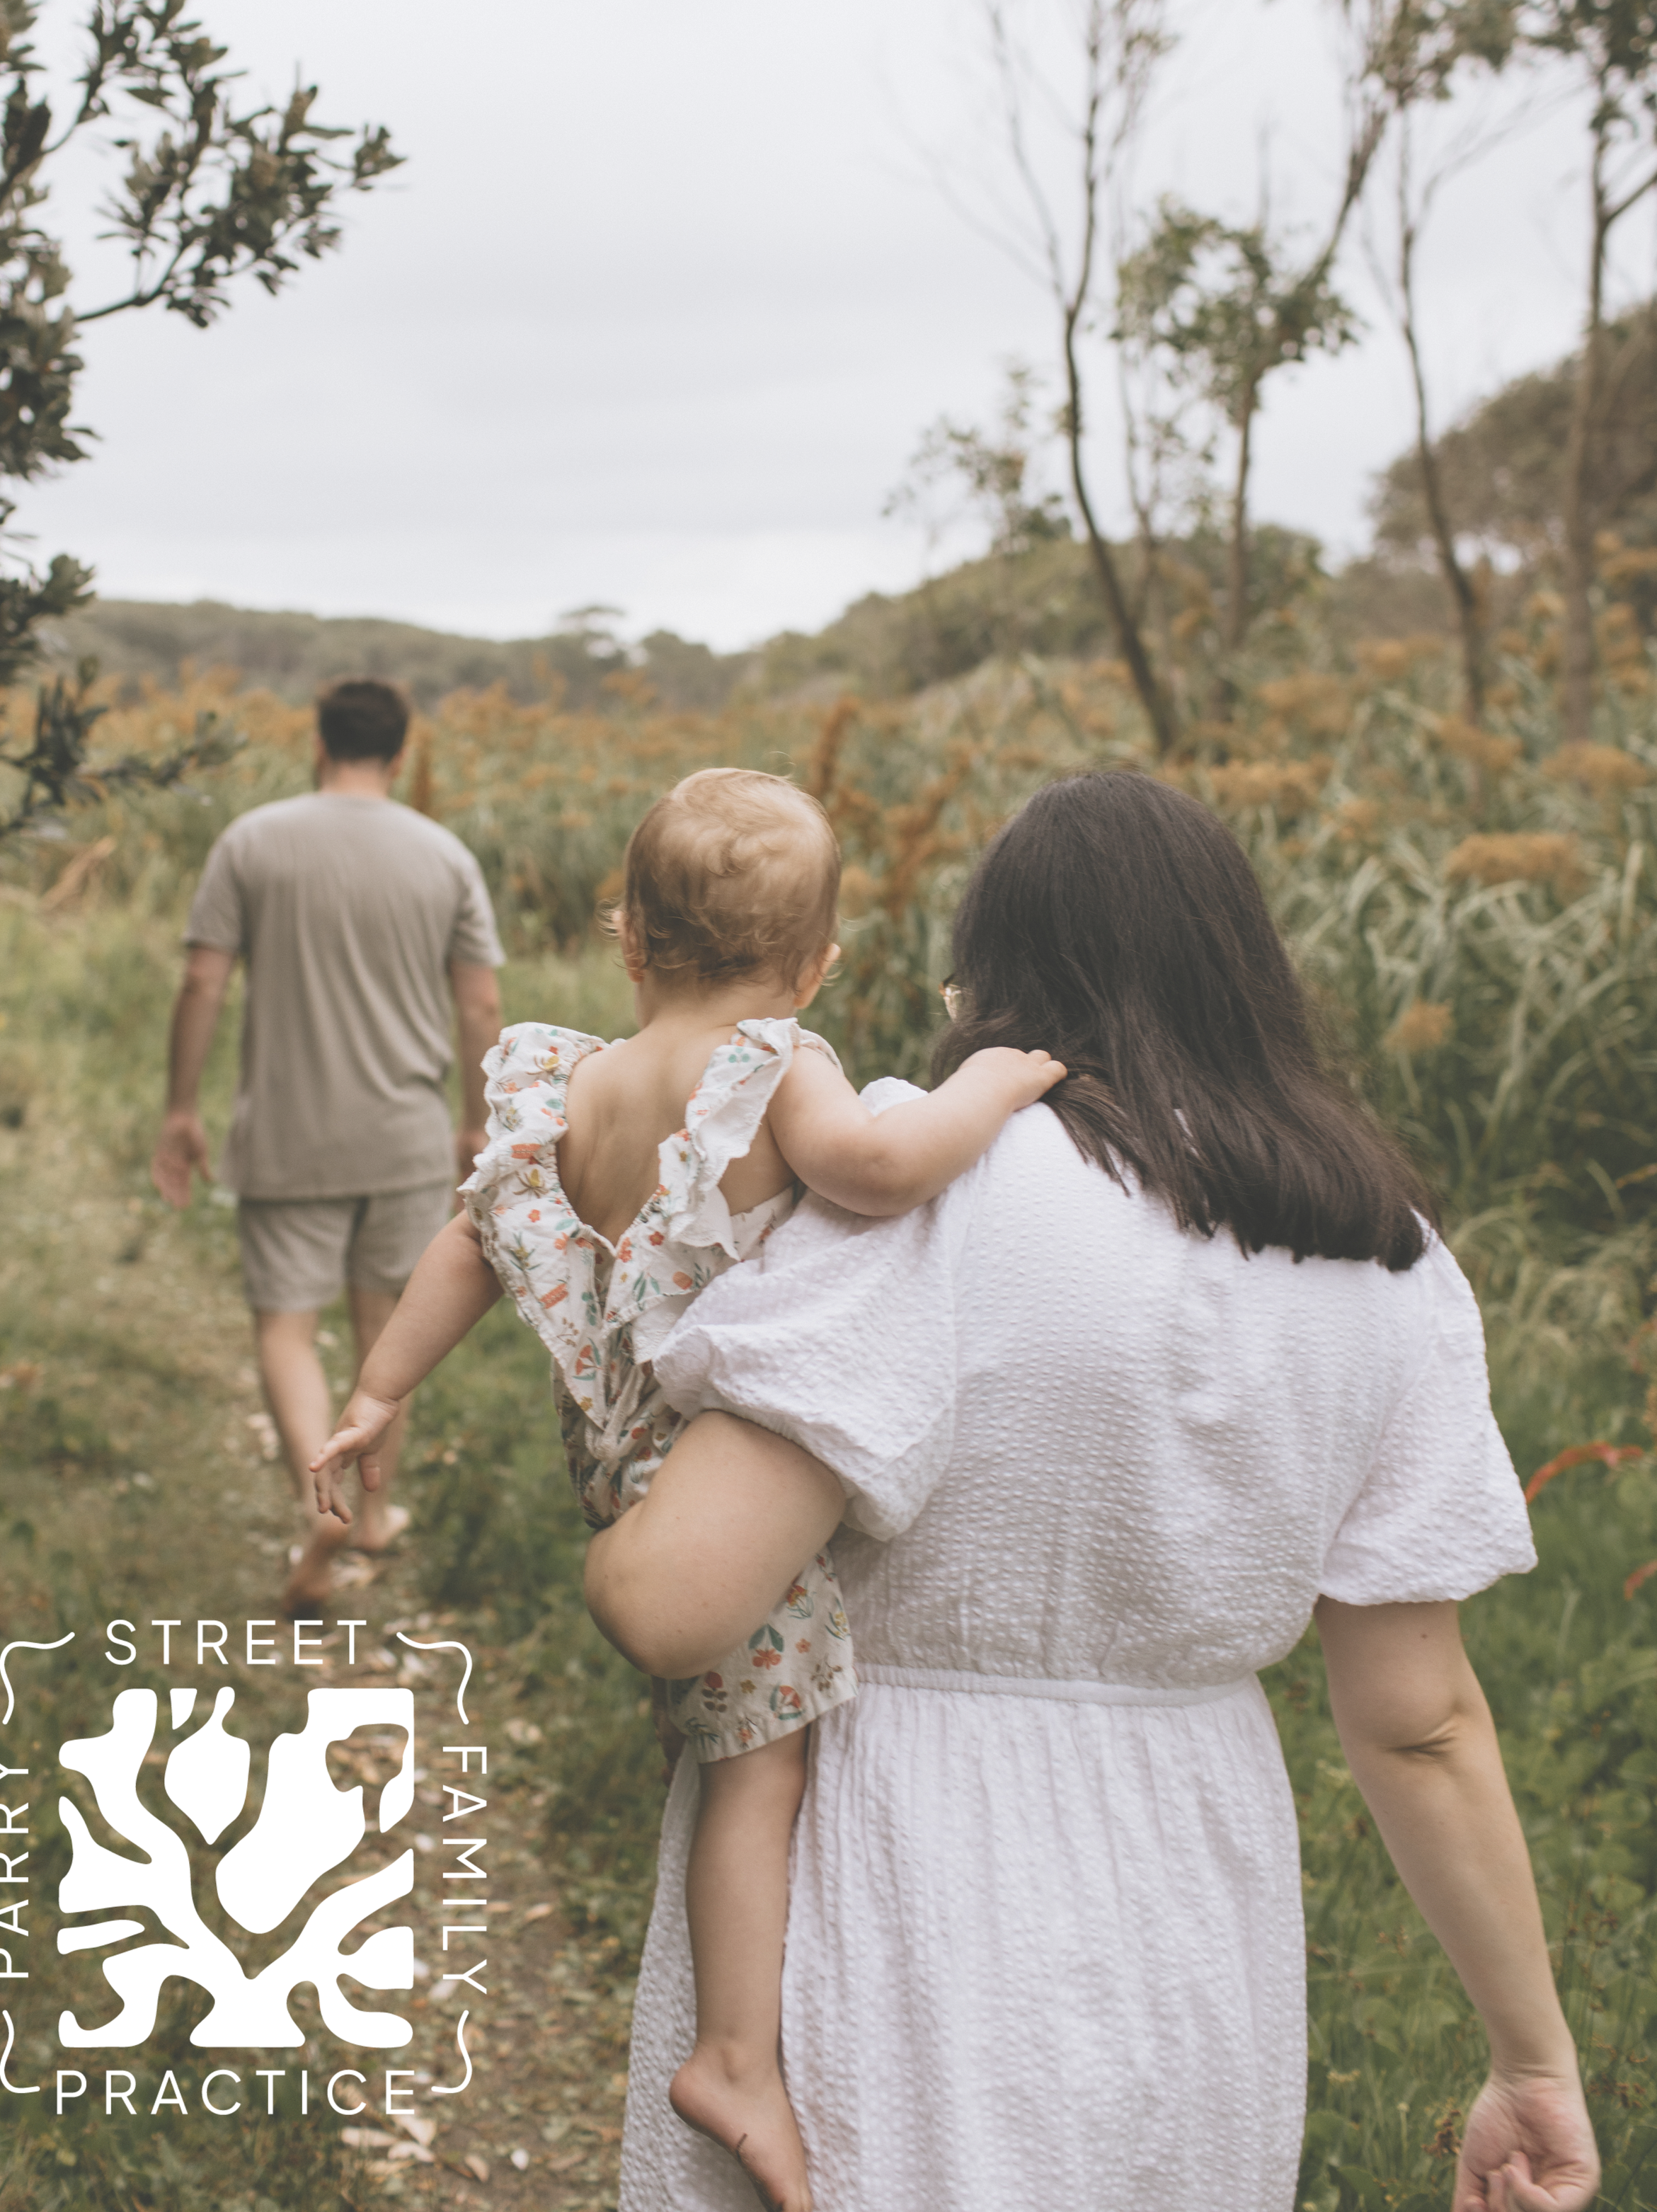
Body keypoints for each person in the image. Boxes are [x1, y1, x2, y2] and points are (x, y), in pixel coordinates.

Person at [583, 772, 1601, 2212]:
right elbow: (1422, 1722)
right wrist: (1532, 2059)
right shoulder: (1386, 1253)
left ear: (996, 977)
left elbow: (673, 1601)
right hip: (1196, 1893)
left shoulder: (929, 1189)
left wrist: (607, 1499)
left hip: (898, 1878)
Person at [309, 768, 1062, 2212]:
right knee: (758, 1766)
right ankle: (731, 2055)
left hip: (612, 1465)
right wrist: (992, 1082)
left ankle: (726, 2028)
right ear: (817, 962)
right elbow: (878, 1165)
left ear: (631, 940)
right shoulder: (772, 1065)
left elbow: (473, 1240)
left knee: (722, 1745)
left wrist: (377, 1392)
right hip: (711, 1482)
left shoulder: (573, 1082)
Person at [151, 677, 504, 1613]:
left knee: (287, 1330)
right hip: (404, 1139)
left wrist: (180, 1108)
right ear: (400, 753)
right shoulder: (445, 856)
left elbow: (201, 983)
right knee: (387, 1334)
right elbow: (481, 1004)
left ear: (318, 743)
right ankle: (373, 1515)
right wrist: (476, 1122)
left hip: (286, 1138)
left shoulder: (251, 841)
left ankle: (320, 1507)